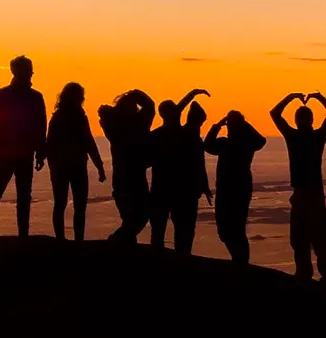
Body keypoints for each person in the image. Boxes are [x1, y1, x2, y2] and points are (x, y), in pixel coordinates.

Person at [272, 91, 326, 286]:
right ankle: (320, 276)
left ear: (298, 120)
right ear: (311, 120)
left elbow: (275, 113)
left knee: (306, 239)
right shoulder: (316, 137)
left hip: (306, 195)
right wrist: (319, 98)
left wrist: (290, 97)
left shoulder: (295, 136)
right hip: (310, 195)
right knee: (315, 239)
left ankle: (309, 274)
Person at [0, 56, 47, 239]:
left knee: (21, 197)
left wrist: (40, 153)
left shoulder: (33, 97)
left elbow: (40, 126)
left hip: (22, 155)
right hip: (6, 155)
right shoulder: (3, 96)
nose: (30, 73)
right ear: (17, 72)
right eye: (28, 70)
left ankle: (21, 236)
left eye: (30, 69)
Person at [203, 109, 268, 264]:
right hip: (226, 191)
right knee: (225, 229)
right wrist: (218, 126)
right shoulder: (224, 143)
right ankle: (238, 259)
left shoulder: (245, 144)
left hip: (239, 191)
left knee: (236, 229)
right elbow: (207, 145)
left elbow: (261, 140)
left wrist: (241, 124)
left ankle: (241, 261)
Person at [149, 89, 211, 252]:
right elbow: (198, 161)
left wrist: (203, 185)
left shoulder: (160, 135)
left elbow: (198, 161)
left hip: (175, 190)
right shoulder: (181, 134)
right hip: (173, 190)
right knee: (173, 231)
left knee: (177, 231)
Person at [45, 82, 106, 240]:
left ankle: (65, 239)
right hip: (71, 166)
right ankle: (73, 239)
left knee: (66, 204)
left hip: (66, 166)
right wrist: (99, 166)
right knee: (73, 204)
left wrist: (99, 166)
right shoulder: (72, 117)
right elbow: (89, 142)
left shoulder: (62, 117)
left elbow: (50, 144)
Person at [98, 89, 155, 242]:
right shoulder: (138, 124)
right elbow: (150, 105)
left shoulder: (113, 126)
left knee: (131, 218)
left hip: (122, 177)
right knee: (139, 217)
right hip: (134, 177)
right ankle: (116, 241)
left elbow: (149, 106)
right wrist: (136, 93)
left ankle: (121, 245)